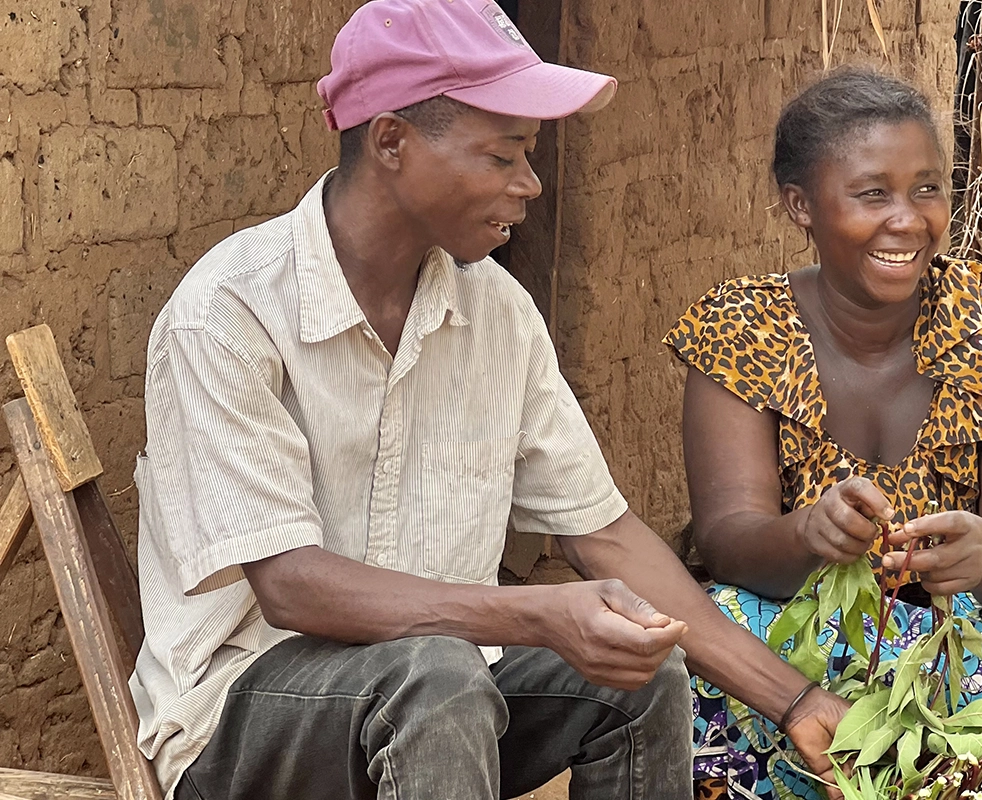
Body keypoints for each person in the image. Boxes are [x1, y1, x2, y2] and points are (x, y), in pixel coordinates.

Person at [128, 2, 851, 799]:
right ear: (393, 141)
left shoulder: (494, 315)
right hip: (245, 721)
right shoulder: (228, 313)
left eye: (530, 156)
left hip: (443, 703)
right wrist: (536, 615)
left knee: (641, 679)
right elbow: (292, 584)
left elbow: (603, 535)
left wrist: (795, 700)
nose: (530, 184)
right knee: (436, 674)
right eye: (504, 155)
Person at [664, 69, 982, 800]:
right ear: (800, 206)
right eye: (872, 193)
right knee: (706, 633)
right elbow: (725, 539)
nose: (908, 220)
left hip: (966, 631)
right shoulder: (741, 325)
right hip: (800, 628)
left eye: (928, 188)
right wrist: (808, 534)